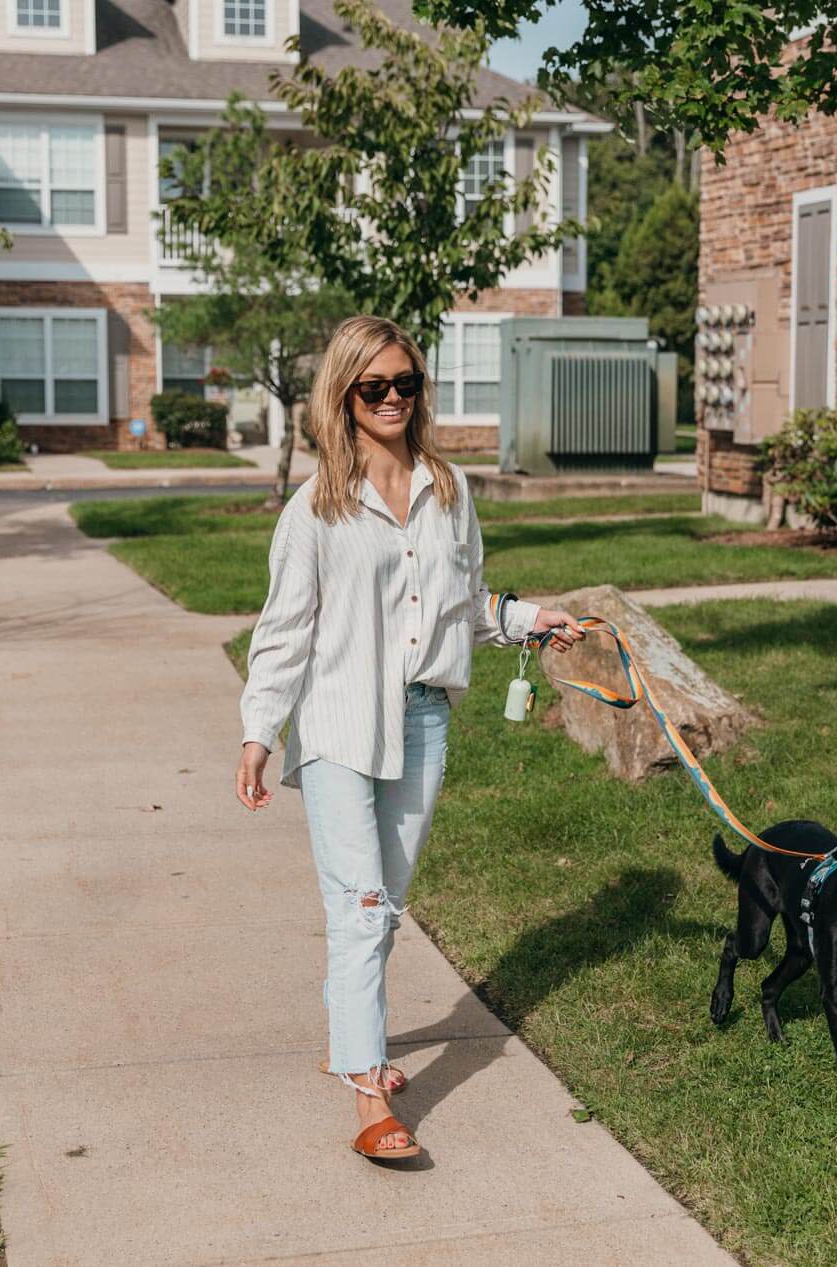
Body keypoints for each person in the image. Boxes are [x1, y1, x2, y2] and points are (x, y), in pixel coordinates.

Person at [236, 315, 585, 1161]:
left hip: (424, 716)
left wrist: (533, 619)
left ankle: (343, 1036)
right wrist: (257, 731)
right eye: (374, 387)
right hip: (339, 725)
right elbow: (285, 630)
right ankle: (368, 1093)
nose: (393, 398)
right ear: (344, 397)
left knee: (383, 908)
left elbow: (465, 604)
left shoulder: (448, 488)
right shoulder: (314, 508)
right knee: (360, 909)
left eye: (406, 383)